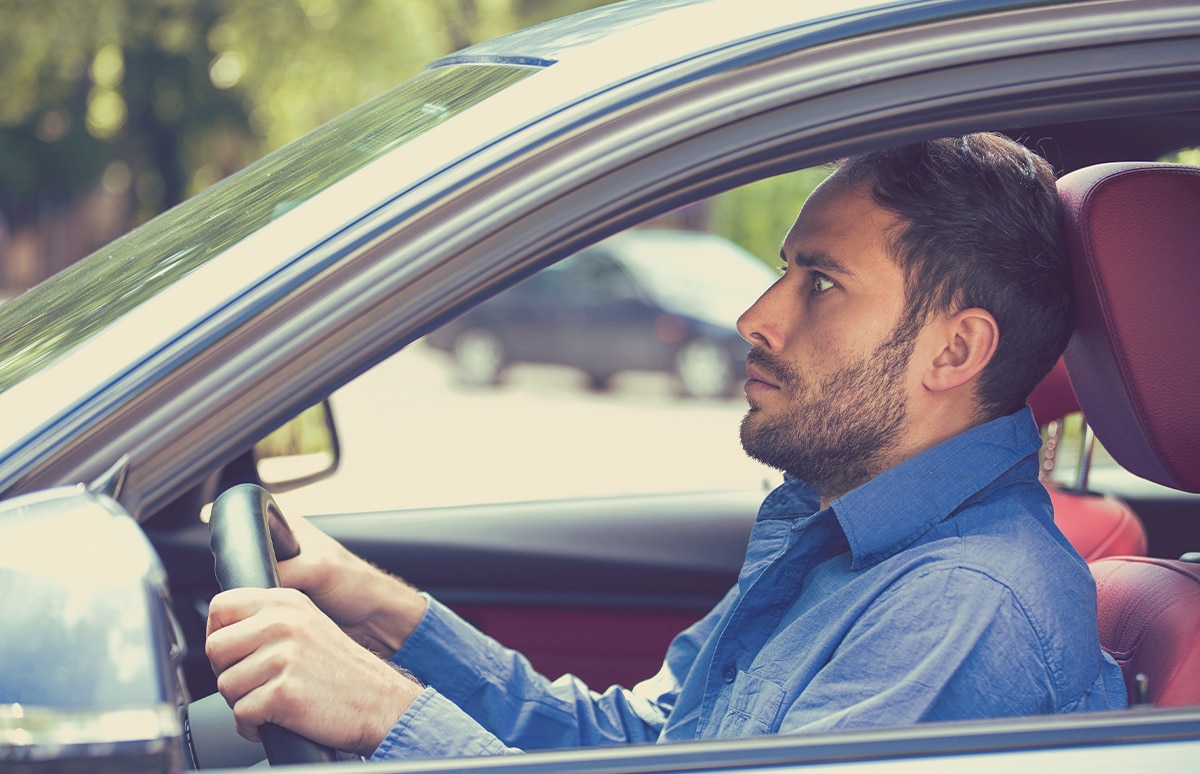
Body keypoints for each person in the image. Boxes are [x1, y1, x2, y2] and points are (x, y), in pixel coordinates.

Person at [205, 133, 1128, 761]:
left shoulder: (966, 610)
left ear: (955, 350)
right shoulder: (836, 530)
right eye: (783, 271)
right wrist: (381, 611)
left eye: (820, 284)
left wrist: (381, 712)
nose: (754, 318)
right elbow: (645, 746)